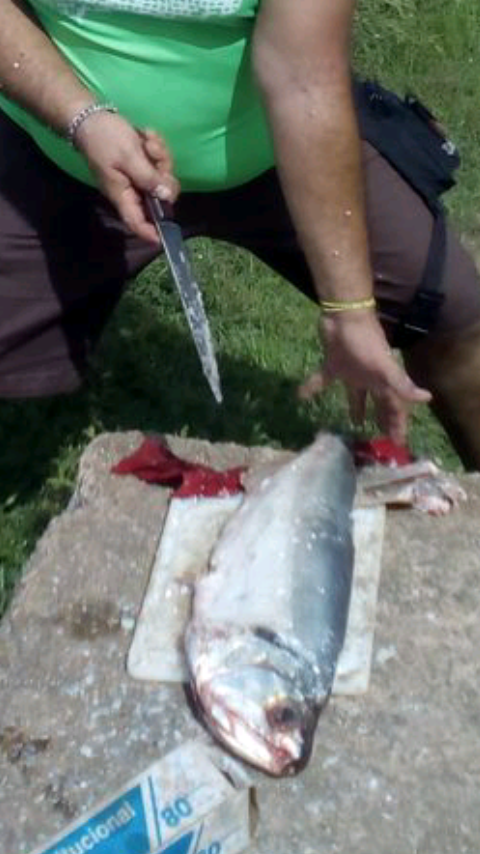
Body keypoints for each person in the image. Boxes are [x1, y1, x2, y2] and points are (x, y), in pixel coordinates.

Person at [0, 0, 480, 467]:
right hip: (65, 151)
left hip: (279, 151)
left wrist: (351, 309)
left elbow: (304, 81)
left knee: (453, 314)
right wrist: (82, 119)